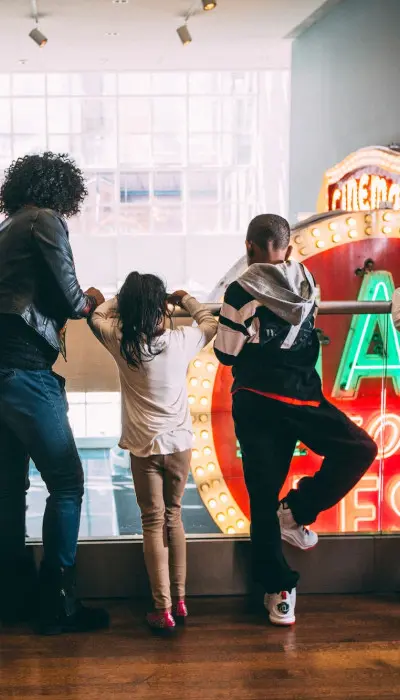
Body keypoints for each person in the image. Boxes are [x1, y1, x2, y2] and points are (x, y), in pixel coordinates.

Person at [214, 214, 378, 626]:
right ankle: (298, 510)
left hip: (257, 403)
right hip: (304, 397)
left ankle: (279, 590)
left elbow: (226, 353)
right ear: (287, 248)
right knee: (361, 449)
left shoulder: (239, 290)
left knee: (262, 498)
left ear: (249, 247)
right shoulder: (308, 280)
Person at [0, 152, 109, 635]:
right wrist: (93, 299)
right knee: (66, 482)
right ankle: (58, 604)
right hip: (25, 367)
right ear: (61, 190)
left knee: (8, 489)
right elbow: (71, 300)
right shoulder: (44, 220)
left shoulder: (6, 228)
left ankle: (12, 597)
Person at [89, 272, 217, 633]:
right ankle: (180, 599)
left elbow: (97, 316)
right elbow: (208, 321)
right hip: (179, 444)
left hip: (143, 446)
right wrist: (183, 299)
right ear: (161, 307)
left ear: (129, 309)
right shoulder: (182, 340)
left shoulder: (120, 340)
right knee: (174, 517)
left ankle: (161, 608)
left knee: (152, 521)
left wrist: (120, 301)